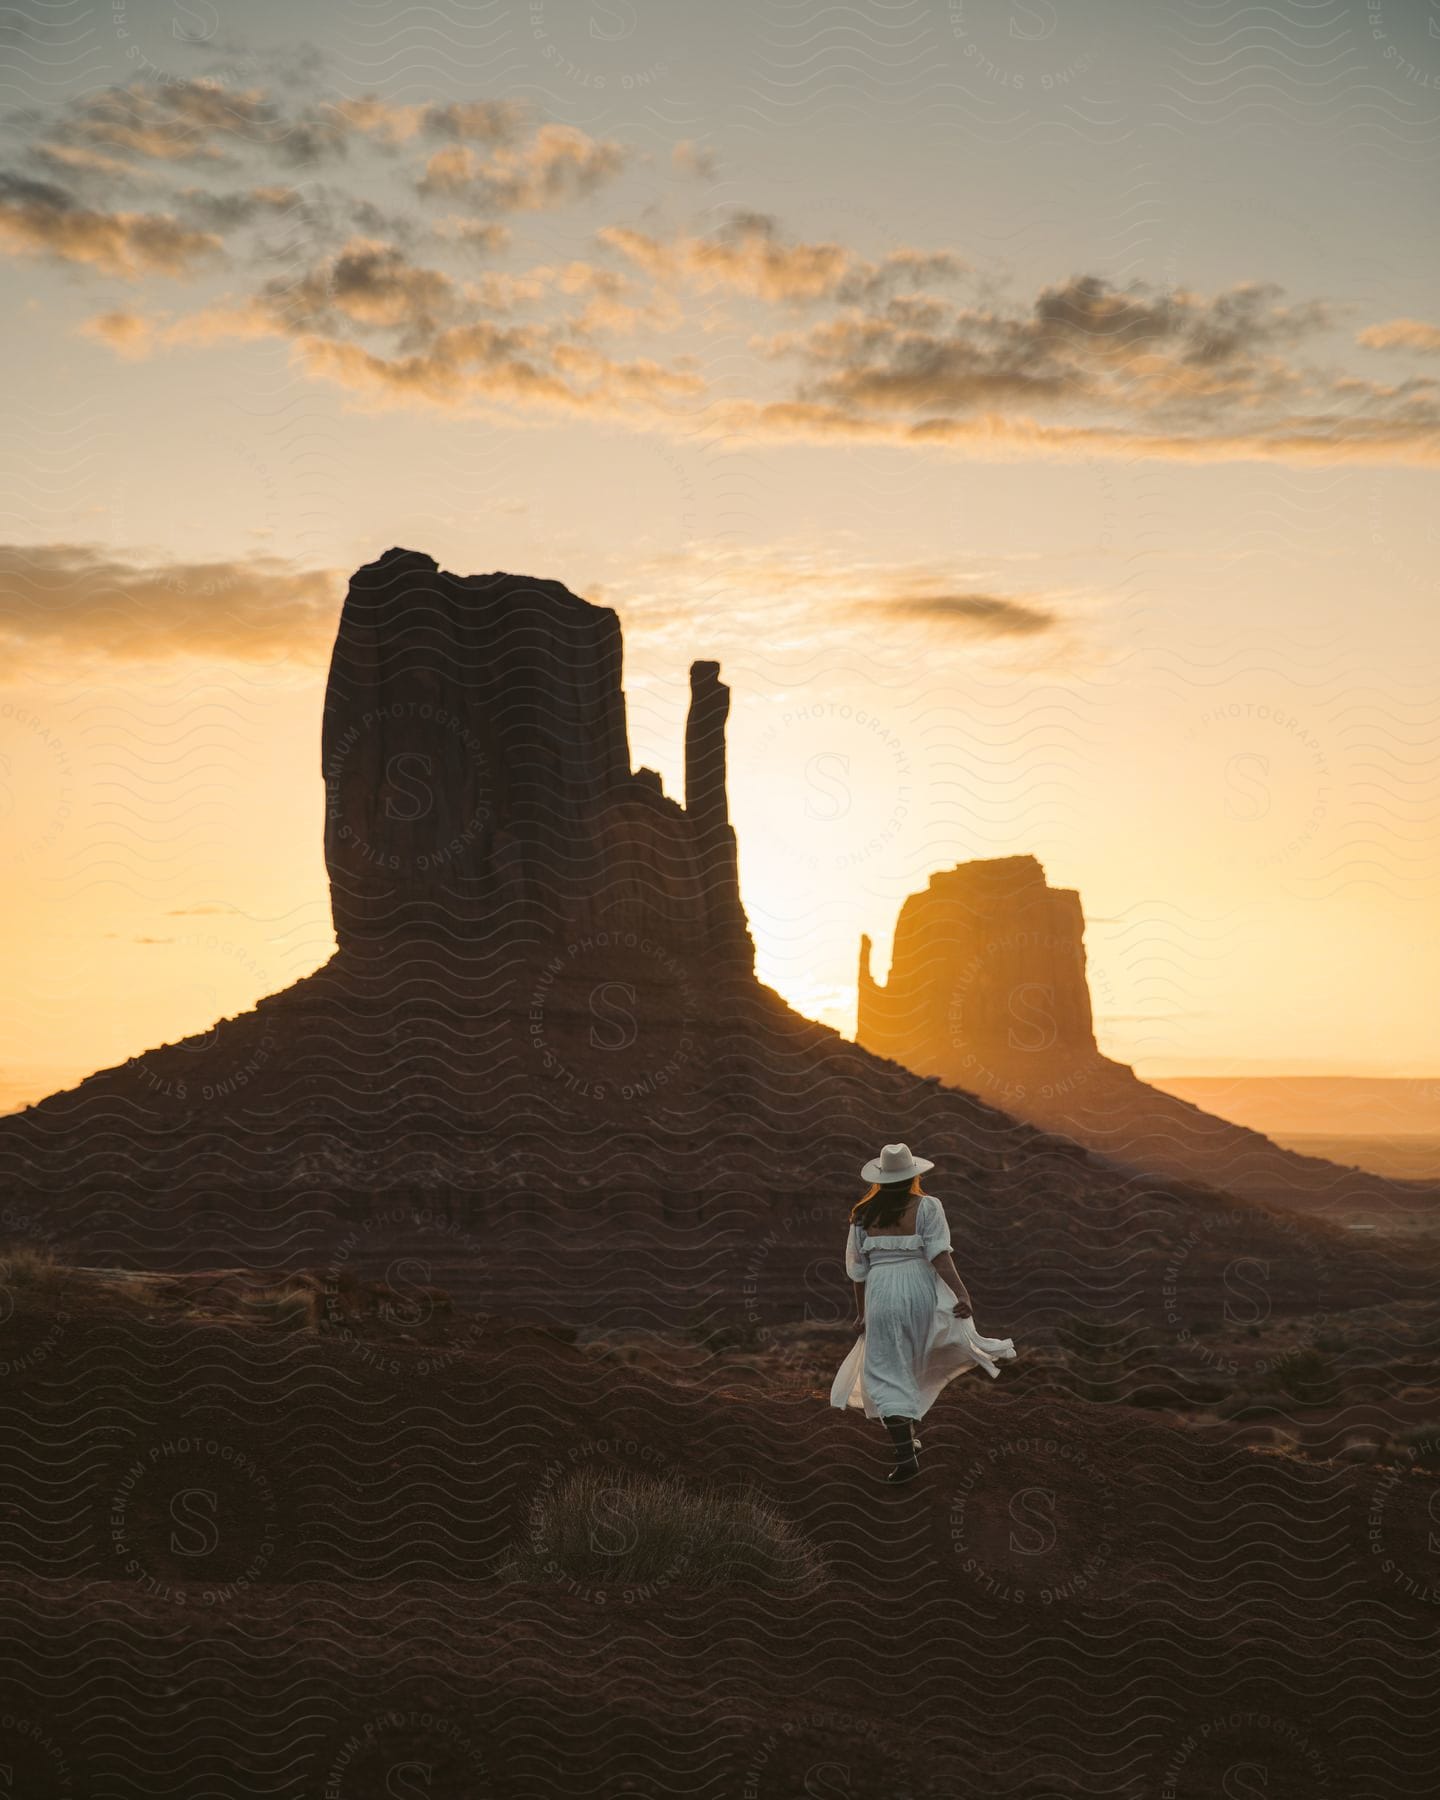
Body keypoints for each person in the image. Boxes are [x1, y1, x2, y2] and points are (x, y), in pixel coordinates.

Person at [830, 1142, 1016, 1482]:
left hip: (881, 1292)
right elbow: (939, 1255)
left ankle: (904, 1452)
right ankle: (909, 1439)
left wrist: (862, 1313)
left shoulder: (863, 1214)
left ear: (881, 1177)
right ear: (912, 1175)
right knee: (912, 1360)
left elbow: (858, 1271)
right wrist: (962, 1293)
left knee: (886, 1368)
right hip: (919, 1291)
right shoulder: (928, 1206)